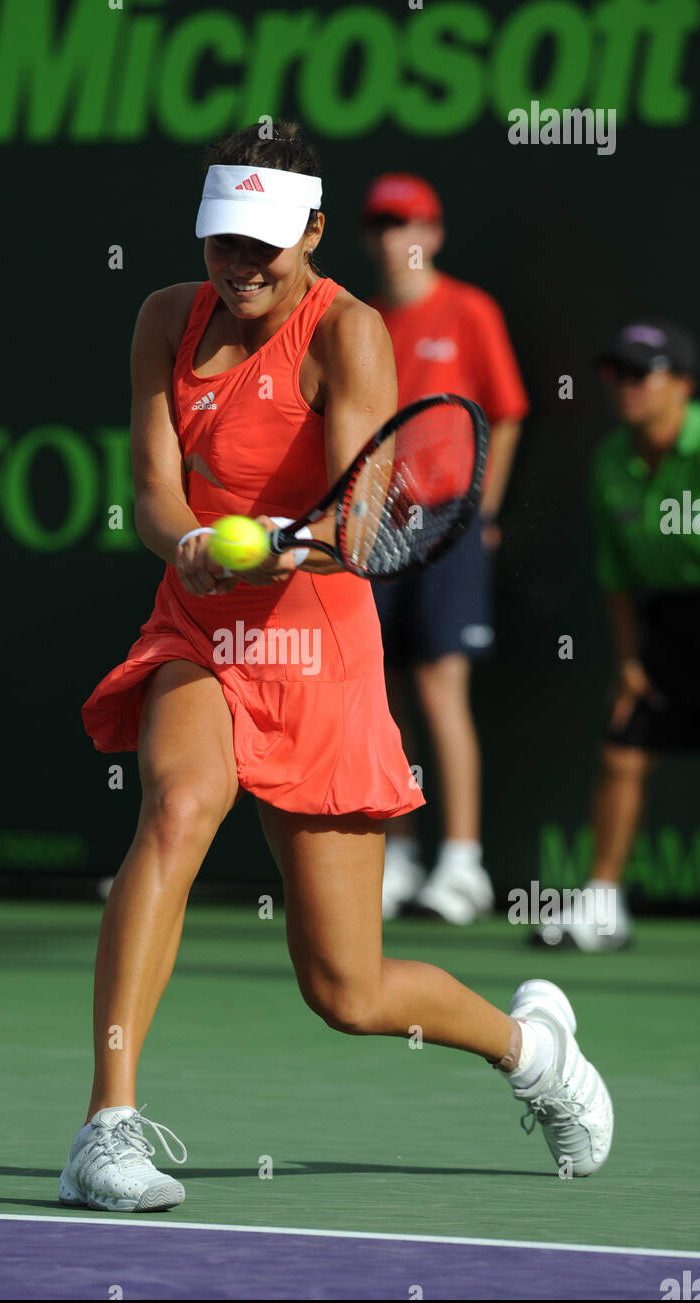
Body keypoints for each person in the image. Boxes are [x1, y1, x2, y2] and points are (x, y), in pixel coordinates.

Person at [58, 122, 611, 1213]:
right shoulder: (162, 317)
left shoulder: (351, 334)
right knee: (175, 806)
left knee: (347, 989)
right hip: (200, 628)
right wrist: (187, 546)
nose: (244, 264)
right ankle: (105, 1129)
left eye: (268, 241)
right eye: (225, 239)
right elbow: (152, 492)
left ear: (313, 231)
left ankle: (533, 1050)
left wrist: (284, 537)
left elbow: (360, 524)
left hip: (319, 648)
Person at [361, 174, 529, 923]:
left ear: (433, 231)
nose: (396, 238)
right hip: (374, 528)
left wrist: (480, 514)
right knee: (381, 696)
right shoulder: (360, 320)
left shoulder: (469, 311)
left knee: (438, 689)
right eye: (382, 225)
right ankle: (399, 858)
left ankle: (463, 865)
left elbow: (509, 412)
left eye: (407, 223)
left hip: (447, 523)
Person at [536, 319, 700, 951]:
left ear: (683, 386)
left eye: (641, 375)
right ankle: (603, 903)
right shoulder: (610, 460)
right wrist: (629, 659)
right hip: (664, 624)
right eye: (616, 376)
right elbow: (616, 577)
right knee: (622, 751)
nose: (624, 387)